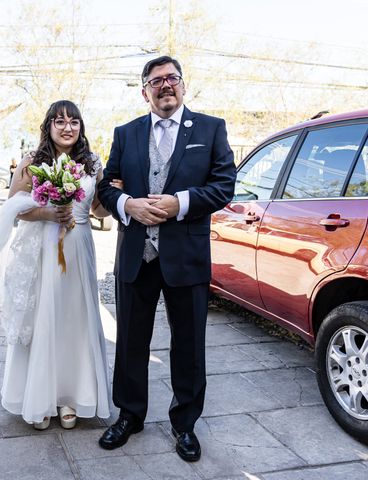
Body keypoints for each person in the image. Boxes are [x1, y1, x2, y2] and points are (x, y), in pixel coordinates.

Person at [96, 56, 236, 462]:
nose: (165, 85)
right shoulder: (126, 133)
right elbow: (107, 185)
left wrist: (181, 203)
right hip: (136, 255)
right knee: (131, 343)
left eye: (172, 77)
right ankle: (130, 415)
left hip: (186, 256)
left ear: (183, 86)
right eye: (155, 81)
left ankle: (185, 424)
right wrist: (127, 204)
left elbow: (224, 185)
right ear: (145, 92)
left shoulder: (210, 129)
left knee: (189, 344)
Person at [0, 100, 116, 430]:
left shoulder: (92, 163)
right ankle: (39, 398)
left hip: (79, 247)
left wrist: (117, 196)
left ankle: (71, 397)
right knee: (44, 317)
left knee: (76, 318)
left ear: (81, 127)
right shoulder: (32, 162)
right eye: (60, 121)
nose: (67, 127)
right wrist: (46, 212)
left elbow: (98, 210)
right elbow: (14, 207)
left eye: (74, 122)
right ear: (49, 126)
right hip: (43, 249)